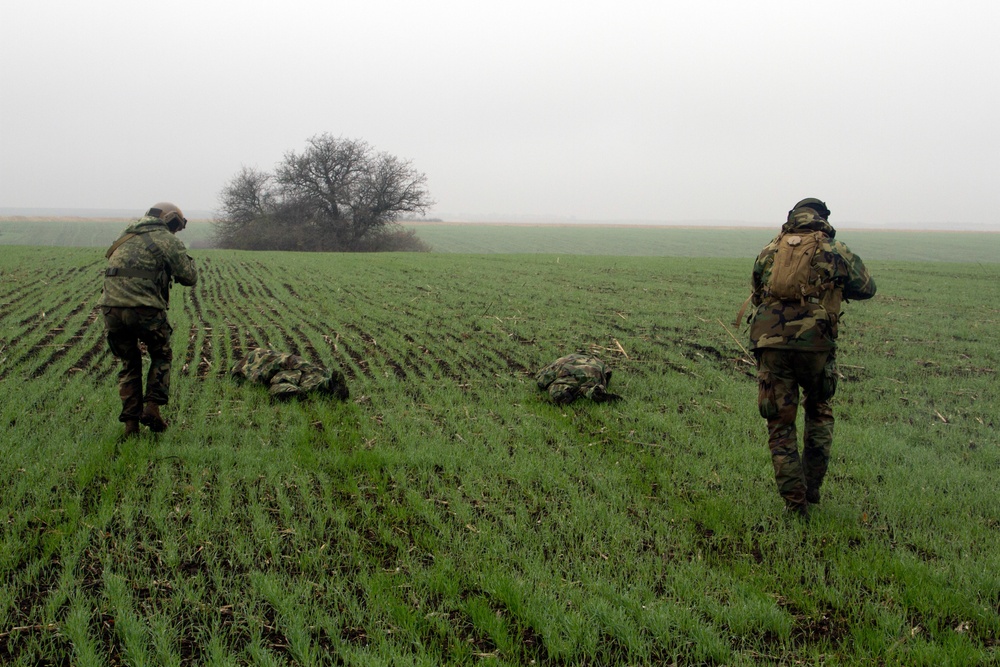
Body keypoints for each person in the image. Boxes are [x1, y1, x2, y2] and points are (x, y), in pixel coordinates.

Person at [749, 198, 876, 518]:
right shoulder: (834, 249)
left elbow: (755, 290)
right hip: (816, 346)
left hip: (772, 345)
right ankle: (813, 485)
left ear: (792, 218)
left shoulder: (770, 249)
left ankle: (795, 504)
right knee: (818, 410)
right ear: (822, 219)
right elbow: (868, 287)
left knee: (780, 424)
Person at [99, 203, 198, 438]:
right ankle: (152, 408)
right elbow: (189, 277)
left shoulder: (125, 234)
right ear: (172, 221)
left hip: (111, 309)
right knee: (161, 353)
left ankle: (130, 427)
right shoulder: (167, 240)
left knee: (129, 362)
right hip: (145, 309)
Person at [231, 348, 349, 400]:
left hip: (285, 366)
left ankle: (328, 383)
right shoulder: (244, 365)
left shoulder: (251, 358)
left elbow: (275, 364)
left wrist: (261, 377)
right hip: (290, 367)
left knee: (287, 378)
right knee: (306, 376)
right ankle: (328, 383)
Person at [535, 353, 621, 404]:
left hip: (570, 372)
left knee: (556, 387)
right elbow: (608, 372)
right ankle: (593, 391)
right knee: (591, 384)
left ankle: (572, 391)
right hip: (595, 371)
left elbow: (542, 382)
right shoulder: (597, 360)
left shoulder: (557, 363)